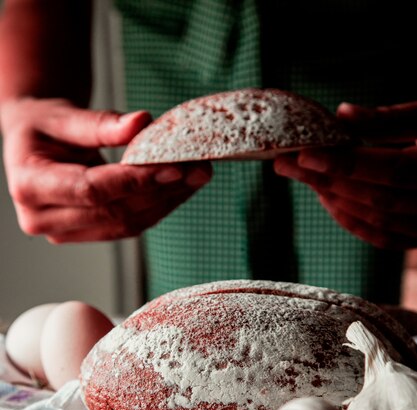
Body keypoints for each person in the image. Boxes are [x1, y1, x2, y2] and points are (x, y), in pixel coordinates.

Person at [1, 0, 417, 305]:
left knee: (354, 319)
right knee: (193, 315)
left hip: (364, 58)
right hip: (175, 52)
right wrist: (28, 99)